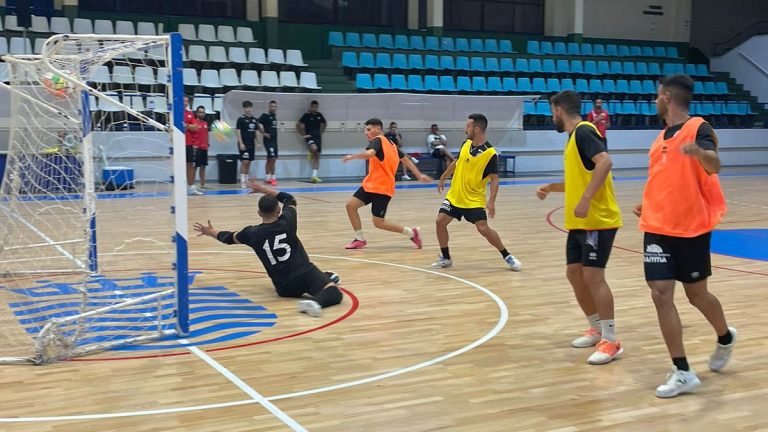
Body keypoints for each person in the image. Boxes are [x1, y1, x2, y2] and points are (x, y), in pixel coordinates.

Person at [634, 74, 735, 398]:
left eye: (655, 96)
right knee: (661, 293)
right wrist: (648, 203)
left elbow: (715, 164)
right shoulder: (660, 138)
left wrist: (699, 153)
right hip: (657, 227)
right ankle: (682, 370)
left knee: (696, 295)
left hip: (691, 228)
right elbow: (664, 179)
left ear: (665, 96)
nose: (654, 101)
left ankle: (725, 336)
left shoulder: (699, 129)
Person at [536, 90, 624, 365]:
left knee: (593, 277)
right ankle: (596, 327)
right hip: (579, 223)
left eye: (552, 111)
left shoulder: (585, 131)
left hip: (598, 220)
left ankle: (611, 340)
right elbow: (581, 179)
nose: (552, 117)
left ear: (559, 109)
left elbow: (605, 162)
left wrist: (586, 200)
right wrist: (553, 188)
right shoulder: (573, 139)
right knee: (574, 273)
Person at [193, 183, 344, 317]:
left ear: (259, 213)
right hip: (304, 273)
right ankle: (315, 303)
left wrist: (210, 232)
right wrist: (263, 189)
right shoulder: (288, 221)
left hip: (283, 287)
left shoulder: (251, 233)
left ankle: (325, 276)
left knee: (323, 278)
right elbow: (289, 199)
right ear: (278, 210)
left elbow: (228, 238)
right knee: (334, 293)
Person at [433, 114, 522, 271]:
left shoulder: (490, 153)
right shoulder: (466, 143)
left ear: (476, 129)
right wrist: (444, 176)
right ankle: (446, 258)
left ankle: (507, 255)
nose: (464, 129)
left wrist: (492, 201)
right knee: (440, 221)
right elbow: (457, 161)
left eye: (467, 126)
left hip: (473, 199)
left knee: (483, 229)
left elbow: (494, 179)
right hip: (455, 196)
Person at [342, 118, 432, 250]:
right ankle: (359, 238)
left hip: (382, 188)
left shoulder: (378, 140)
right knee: (351, 206)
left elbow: (370, 153)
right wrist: (419, 175)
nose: (366, 133)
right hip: (370, 185)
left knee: (379, 222)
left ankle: (412, 233)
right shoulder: (393, 145)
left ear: (378, 129)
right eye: (365, 130)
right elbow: (406, 160)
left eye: (368, 129)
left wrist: (352, 156)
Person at [297, 100, 327, 183]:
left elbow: (324, 123)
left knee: (317, 155)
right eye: (313, 107)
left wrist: (321, 131)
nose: (314, 108)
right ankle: (310, 152)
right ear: (310, 107)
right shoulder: (306, 115)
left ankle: (314, 176)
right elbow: (298, 125)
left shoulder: (319, 115)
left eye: (316, 107)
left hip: (317, 136)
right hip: (309, 136)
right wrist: (303, 134)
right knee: (314, 148)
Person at [236, 100, 260, 189]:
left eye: (250, 107)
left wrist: (258, 142)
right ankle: (242, 181)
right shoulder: (241, 119)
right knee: (244, 162)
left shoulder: (254, 119)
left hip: (251, 144)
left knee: (249, 162)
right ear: (244, 108)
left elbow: (256, 132)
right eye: (246, 107)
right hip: (244, 144)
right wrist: (241, 143)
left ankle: (246, 179)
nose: (248, 109)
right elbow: (238, 132)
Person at [183, 95, 203, 195]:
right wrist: (189, 126)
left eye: (187, 101)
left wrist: (186, 125)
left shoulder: (190, 113)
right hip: (179, 143)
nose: (185, 103)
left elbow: (195, 128)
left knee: (190, 165)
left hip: (189, 143)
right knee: (179, 166)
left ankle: (191, 187)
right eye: (183, 101)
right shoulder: (176, 113)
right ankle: (180, 187)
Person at [258, 100, 279, 186]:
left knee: (270, 158)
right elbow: (257, 122)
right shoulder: (265, 115)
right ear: (269, 107)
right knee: (273, 158)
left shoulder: (274, 115)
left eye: (275, 106)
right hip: (268, 140)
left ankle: (267, 178)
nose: (273, 108)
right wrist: (263, 133)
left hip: (274, 140)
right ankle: (273, 178)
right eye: (272, 106)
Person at [192, 105, 210, 190]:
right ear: (197, 113)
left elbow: (206, 135)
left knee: (203, 167)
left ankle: (203, 185)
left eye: (203, 112)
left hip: (204, 148)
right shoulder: (194, 122)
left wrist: (207, 143)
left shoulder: (206, 124)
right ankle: (192, 185)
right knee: (195, 167)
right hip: (197, 148)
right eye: (200, 112)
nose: (202, 114)